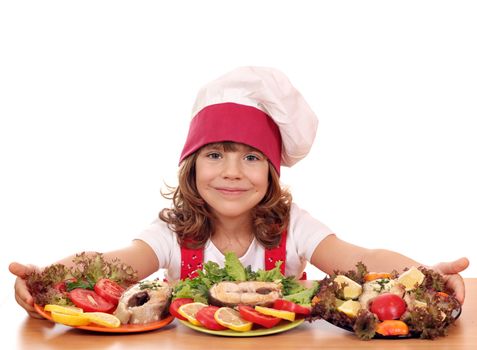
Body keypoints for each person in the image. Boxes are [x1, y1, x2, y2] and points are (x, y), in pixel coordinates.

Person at [9, 66, 469, 319]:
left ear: (271, 173)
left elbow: (361, 258)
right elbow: (109, 264)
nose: (232, 173)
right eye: (215, 155)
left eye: (251, 158)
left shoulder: (295, 228)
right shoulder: (171, 233)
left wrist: (425, 273)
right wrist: (46, 277)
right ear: (190, 167)